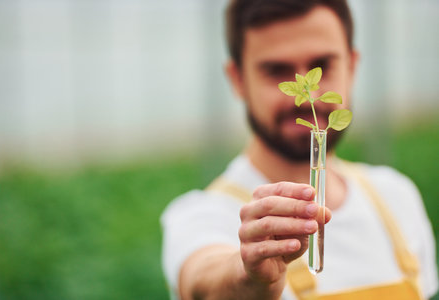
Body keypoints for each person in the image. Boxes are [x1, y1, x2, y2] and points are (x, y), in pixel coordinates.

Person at [161, 0, 438, 299]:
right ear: (238, 79)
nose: (307, 98)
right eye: (276, 70)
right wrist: (248, 277)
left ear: (352, 66)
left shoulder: (395, 196)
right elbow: (206, 280)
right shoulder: (204, 215)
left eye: (323, 66)